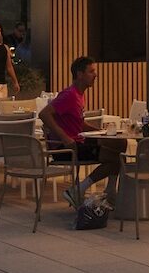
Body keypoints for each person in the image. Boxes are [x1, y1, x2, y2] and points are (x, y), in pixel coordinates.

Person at [41, 56, 120, 208]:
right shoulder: (69, 95)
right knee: (116, 159)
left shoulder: (78, 95)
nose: (95, 75)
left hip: (77, 142)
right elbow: (44, 114)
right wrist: (64, 137)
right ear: (79, 74)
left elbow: (78, 123)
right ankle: (79, 190)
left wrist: (100, 131)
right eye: (91, 71)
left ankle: (109, 190)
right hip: (65, 148)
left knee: (119, 143)